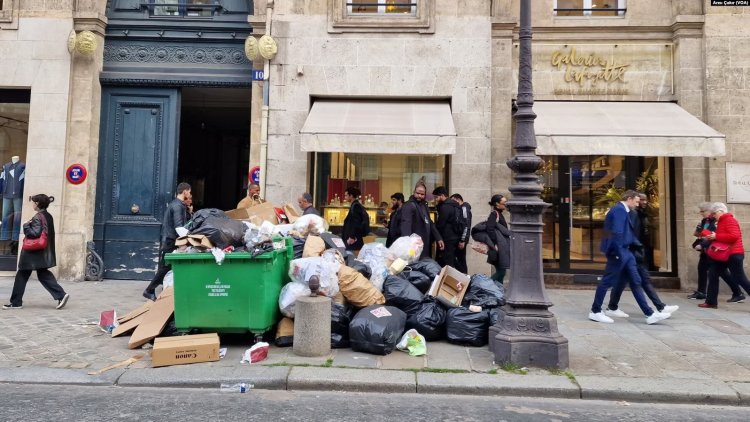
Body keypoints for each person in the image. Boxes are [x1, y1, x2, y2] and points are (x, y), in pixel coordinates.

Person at [589, 190, 670, 325]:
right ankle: (595, 311)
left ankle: (650, 314)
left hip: (626, 252)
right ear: (630, 199)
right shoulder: (619, 210)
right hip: (620, 252)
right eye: (637, 201)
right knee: (607, 281)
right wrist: (618, 252)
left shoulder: (622, 210)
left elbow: (621, 232)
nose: (638, 204)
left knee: (636, 281)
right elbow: (617, 233)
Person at [604, 193, 679, 318]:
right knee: (640, 280)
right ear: (630, 199)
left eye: (643, 200)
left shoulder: (640, 213)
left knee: (624, 281)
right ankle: (656, 309)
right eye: (639, 201)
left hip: (633, 251)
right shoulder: (628, 213)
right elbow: (627, 233)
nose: (642, 203)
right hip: (632, 252)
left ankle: (612, 307)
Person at [3, 194, 69, 310]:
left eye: (33, 202)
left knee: (22, 275)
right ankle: (61, 295)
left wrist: (26, 226)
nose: (32, 204)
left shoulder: (38, 217)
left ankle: (16, 302)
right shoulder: (48, 215)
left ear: (37, 204)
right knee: (42, 274)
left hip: (32, 253)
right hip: (40, 252)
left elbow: (34, 233)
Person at [143, 182, 191, 300]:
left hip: (169, 239)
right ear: (184, 191)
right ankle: (149, 290)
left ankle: (157, 289)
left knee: (166, 266)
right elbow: (179, 226)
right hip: (170, 240)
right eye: (189, 192)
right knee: (166, 266)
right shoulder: (177, 206)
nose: (190, 195)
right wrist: (189, 238)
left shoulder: (178, 204)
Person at [700, 202, 750, 309]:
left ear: (721, 211)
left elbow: (734, 236)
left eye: (714, 213)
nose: (713, 216)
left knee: (740, 278)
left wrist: (716, 236)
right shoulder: (722, 221)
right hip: (724, 254)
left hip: (733, 254)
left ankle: (712, 301)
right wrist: (713, 236)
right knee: (713, 274)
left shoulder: (730, 220)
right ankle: (711, 302)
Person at [688, 202, 741, 301]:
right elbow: (701, 235)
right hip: (706, 250)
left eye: (703, 211)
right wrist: (696, 243)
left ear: (710, 211)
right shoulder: (704, 221)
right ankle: (703, 293)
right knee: (703, 270)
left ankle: (737, 292)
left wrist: (703, 244)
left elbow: (715, 237)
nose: (701, 213)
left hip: (714, 250)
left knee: (723, 273)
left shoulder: (718, 221)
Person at [400, 182, 443, 259]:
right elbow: (406, 225)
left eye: (422, 194)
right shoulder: (409, 206)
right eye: (417, 193)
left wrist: (438, 238)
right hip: (414, 246)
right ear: (414, 192)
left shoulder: (424, 205)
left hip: (424, 245)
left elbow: (430, 222)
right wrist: (408, 245)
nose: (419, 196)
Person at [432, 186, 462, 268]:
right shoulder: (455, 205)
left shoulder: (445, 206)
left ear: (442, 195)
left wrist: (435, 235)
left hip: (447, 238)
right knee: (452, 260)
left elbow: (441, 224)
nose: (435, 199)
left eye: (436, 197)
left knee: (447, 262)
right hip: (455, 236)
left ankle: (448, 279)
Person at [485, 194, 511, 284]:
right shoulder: (494, 214)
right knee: (501, 271)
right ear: (497, 204)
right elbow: (489, 229)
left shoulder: (499, 214)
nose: (505, 205)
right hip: (497, 248)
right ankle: (485, 286)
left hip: (500, 248)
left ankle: (498, 291)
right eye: (504, 203)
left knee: (502, 272)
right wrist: (495, 243)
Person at [341, 186, 370, 252]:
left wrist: (352, 237)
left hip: (353, 240)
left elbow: (355, 223)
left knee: (352, 257)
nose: (345, 197)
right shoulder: (355, 205)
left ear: (351, 196)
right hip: (354, 238)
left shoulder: (355, 207)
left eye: (346, 195)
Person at [451, 193, 472, 274]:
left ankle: (465, 278)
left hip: (461, 239)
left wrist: (463, 240)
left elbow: (466, 225)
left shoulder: (464, 208)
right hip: (460, 238)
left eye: (453, 201)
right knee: (460, 259)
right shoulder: (462, 208)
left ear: (457, 199)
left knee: (461, 260)